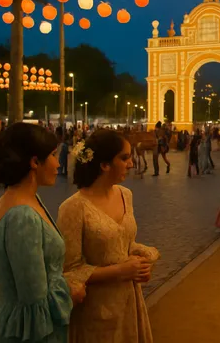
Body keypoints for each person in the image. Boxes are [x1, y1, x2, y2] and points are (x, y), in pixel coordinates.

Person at [0, 123, 84, 342]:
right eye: (53, 155)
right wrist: (71, 293)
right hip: (26, 332)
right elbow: (34, 301)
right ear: (35, 162)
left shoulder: (21, 200)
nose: (58, 163)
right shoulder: (22, 216)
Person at [58, 129, 159, 343]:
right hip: (96, 311)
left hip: (130, 301)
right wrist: (120, 270)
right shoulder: (73, 208)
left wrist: (141, 264)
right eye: (124, 158)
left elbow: (125, 243)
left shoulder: (125, 195)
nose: (131, 164)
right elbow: (69, 271)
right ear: (104, 165)